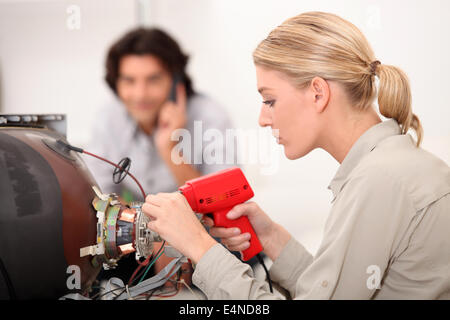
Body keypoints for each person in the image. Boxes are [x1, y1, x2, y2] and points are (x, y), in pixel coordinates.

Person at [141, 12, 450, 299]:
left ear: (318, 92)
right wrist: (272, 237)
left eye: (269, 100)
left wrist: (200, 246)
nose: (263, 118)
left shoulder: (379, 180)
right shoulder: (391, 166)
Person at [85, 27, 239, 283]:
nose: (140, 94)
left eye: (153, 79)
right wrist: (150, 232)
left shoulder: (210, 116)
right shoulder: (108, 118)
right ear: (116, 83)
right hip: (139, 240)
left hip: (207, 237)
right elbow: (97, 202)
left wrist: (170, 150)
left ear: (175, 81)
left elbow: (222, 205)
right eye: (129, 81)